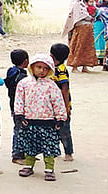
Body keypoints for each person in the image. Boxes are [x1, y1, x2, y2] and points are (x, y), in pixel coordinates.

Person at [14, 53, 68, 181]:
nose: (42, 71)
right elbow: (19, 100)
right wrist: (19, 115)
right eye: (38, 67)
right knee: (29, 146)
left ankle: (49, 169)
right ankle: (28, 166)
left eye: (45, 68)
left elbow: (58, 101)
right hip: (29, 121)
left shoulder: (52, 85)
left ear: (50, 70)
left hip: (47, 122)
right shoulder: (24, 83)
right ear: (32, 67)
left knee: (49, 147)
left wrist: (60, 118)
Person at [4, 49, 30, 164]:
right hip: (21, 107)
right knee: (20, 129)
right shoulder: (21, 76)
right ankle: (17, 155)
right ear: (25, 61)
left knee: (21, 128)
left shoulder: (11, 71)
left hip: (13, 104)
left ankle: (24, 152)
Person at [50, 43, 74, 162]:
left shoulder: (61, 70)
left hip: (62, 105)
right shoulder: (51, 68)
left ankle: (68, 152)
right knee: (52, 129)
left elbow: (64, 89)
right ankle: (55, 151)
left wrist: (66, 107)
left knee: (64, 130)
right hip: (52, 105)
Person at [62, 0, 96, 72]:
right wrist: (89, 18)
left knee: (87, 46)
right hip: (80, 27)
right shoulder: (75, 4)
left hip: (87, 27)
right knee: (78, 46)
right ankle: (75, 66)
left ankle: (85, 66)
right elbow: (79, 16)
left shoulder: (82, 3)